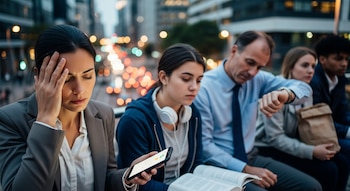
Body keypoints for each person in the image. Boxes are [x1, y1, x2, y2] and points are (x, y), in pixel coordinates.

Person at [0, 24, 157, 191]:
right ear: (39, 76)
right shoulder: (10, 121)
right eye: (66, 79)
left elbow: (106, 178)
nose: (80, 89)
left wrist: (127, 177)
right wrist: (45, 121)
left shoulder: (103, 115)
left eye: (88, 75)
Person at [194, 31, 322, 191]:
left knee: (312, 187)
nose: (253, 72)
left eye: (260, 67)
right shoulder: (204, 87)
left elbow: (304, 89)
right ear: (234, 51)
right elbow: (205, 146)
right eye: (249, 62)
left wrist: (284, 94)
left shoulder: (258, 79)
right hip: (218, 165)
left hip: (251, 156)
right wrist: (246, 170)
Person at [255, 46, 349, 191]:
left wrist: (321, 145)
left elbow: (305, 125)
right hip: (267, 147)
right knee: (329, 170)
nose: (311, 70)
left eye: (313, 66)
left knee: (342, 162)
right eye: (305, 65)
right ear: (290, 66)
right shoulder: (278, 91)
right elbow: (275, 138)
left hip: (292, 142)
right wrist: (312, 151)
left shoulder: (305, 89)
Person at [116, 43, 205, 191]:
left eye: (199, 80)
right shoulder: (134, 120)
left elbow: (197, 162)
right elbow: (137, 184)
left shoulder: (192, 113)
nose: (194, 87)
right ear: (163, 77)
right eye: (185, 79)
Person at [310, 34, 350, 164]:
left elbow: (342, 113)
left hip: (332, 131)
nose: (344, 64)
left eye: (346, 59)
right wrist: (347, 131)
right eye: (338, 59)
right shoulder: (314, 81)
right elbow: (319, 120)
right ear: (322, 59)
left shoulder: (338, 80)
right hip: (314, 134)